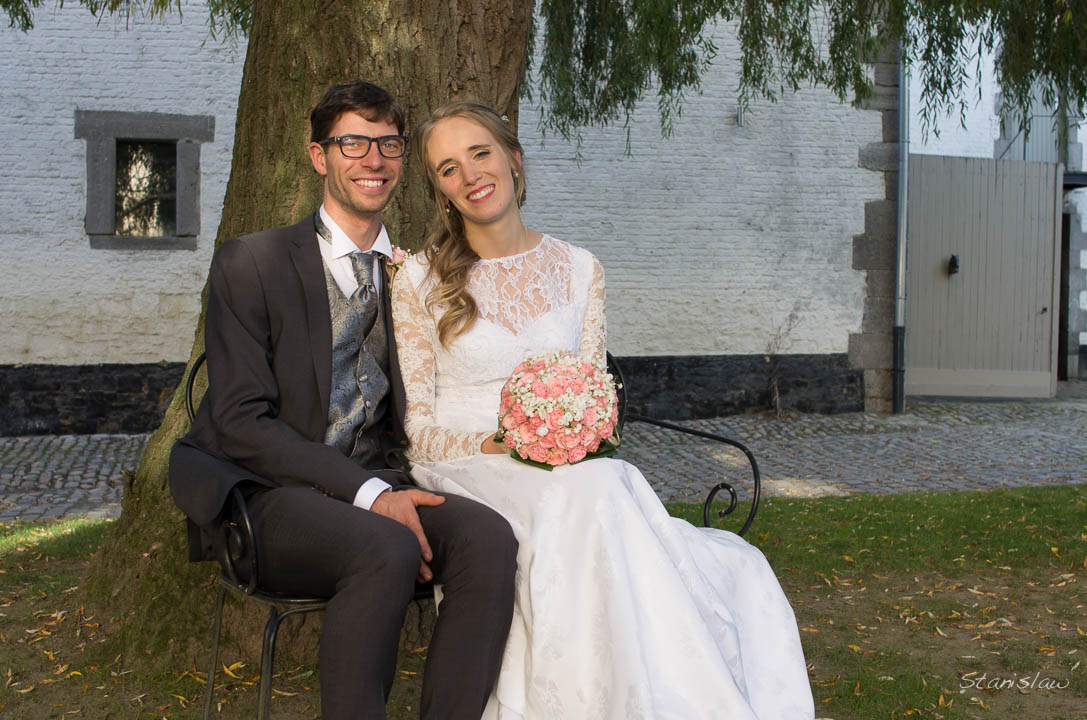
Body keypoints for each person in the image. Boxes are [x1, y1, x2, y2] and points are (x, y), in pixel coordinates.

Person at [390, 100, 816, 720]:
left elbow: (593, 402)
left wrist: (562, 438)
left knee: (600, 482)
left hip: (569, 468)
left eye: (480, 153)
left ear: (513, 158)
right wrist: (500, 443)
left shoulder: (581, 268)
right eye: (448, 168)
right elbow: (417, 428)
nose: (471, 175)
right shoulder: (422, 280)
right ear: (441, 192)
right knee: (587, 493)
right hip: (468, 463)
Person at [168, 82, 518, 720]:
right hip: (264, 495)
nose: (373, 160)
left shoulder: (414, 275)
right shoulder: (252, 262)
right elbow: (241, 422)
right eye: (352, 143)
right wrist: (371, 496)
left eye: (387, 144)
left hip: (376, 477)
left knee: (488, 538)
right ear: (318, 156)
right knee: (384, 544)